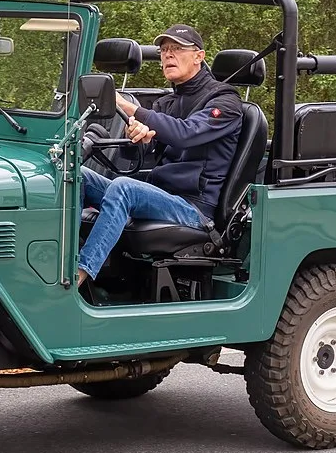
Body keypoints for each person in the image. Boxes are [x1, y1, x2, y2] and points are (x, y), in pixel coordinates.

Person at [78, 23, 243, 287]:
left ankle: (78, 275)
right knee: (78, 176)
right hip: (159, 196)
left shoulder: (225, 101)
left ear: (199, 56)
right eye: (164, 50)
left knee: (124, 188)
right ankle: (57, 261)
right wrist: (136, 138)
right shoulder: (167, 102)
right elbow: (141, 155)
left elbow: (185, 133)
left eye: (177, 48)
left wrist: (130, 108)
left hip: (193, 209)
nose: (168, 55)